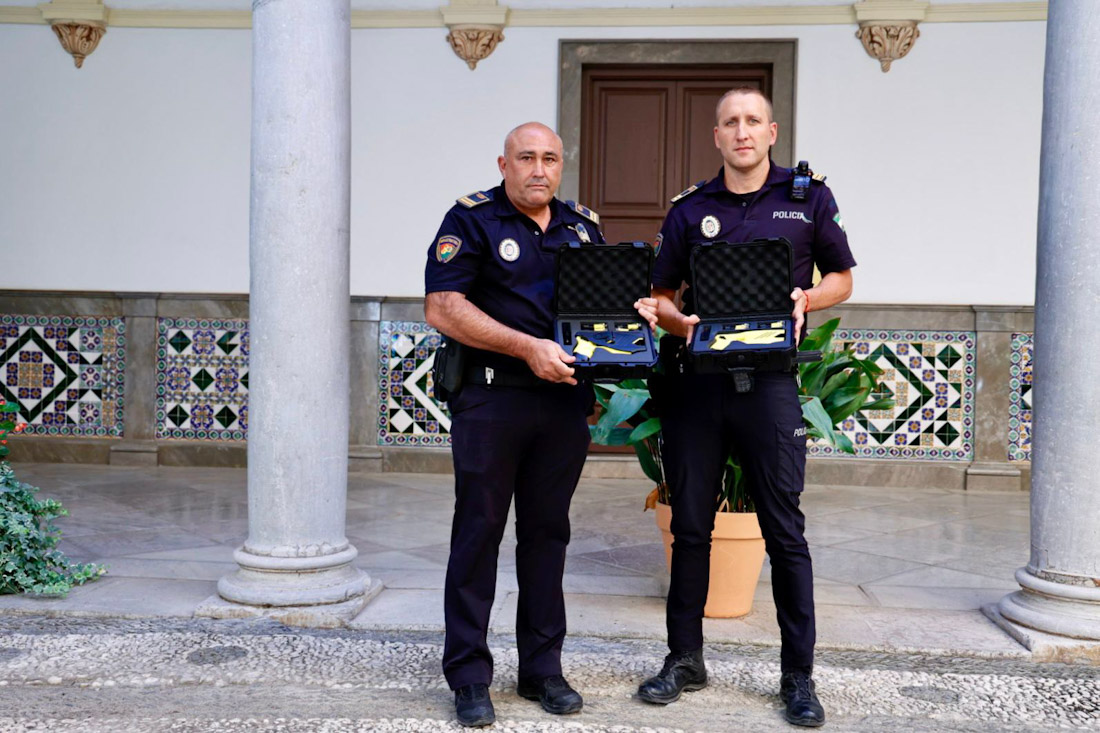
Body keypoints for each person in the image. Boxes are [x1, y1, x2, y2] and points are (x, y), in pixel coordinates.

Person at [424, 121, 658, 727]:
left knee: (548, 536)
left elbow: (600, 311)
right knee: (478, 534)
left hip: (561, 405)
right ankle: (469, 676)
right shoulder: (471, 220)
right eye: (526, 157)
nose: (539, 169)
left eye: (550, 158)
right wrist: (527, 347)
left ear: (561, 165)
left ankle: (542, 670)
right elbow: (444, 307)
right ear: (503, 164)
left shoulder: (582, 226)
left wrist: (631, 319)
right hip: (491, 400)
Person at [637, 88, 856, 728]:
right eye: (730, 122)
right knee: (691, 530)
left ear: (771, 131)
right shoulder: (690, 209)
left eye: (752, 121)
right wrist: (679, 323)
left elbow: (843, 277)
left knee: (785, 533)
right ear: (717, 136)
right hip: (699, 386)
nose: (742, 132)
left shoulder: (808, 199)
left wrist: (807, 299)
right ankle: (684, 659)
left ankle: (798, 676)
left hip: (769, 386)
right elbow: (660, 295)